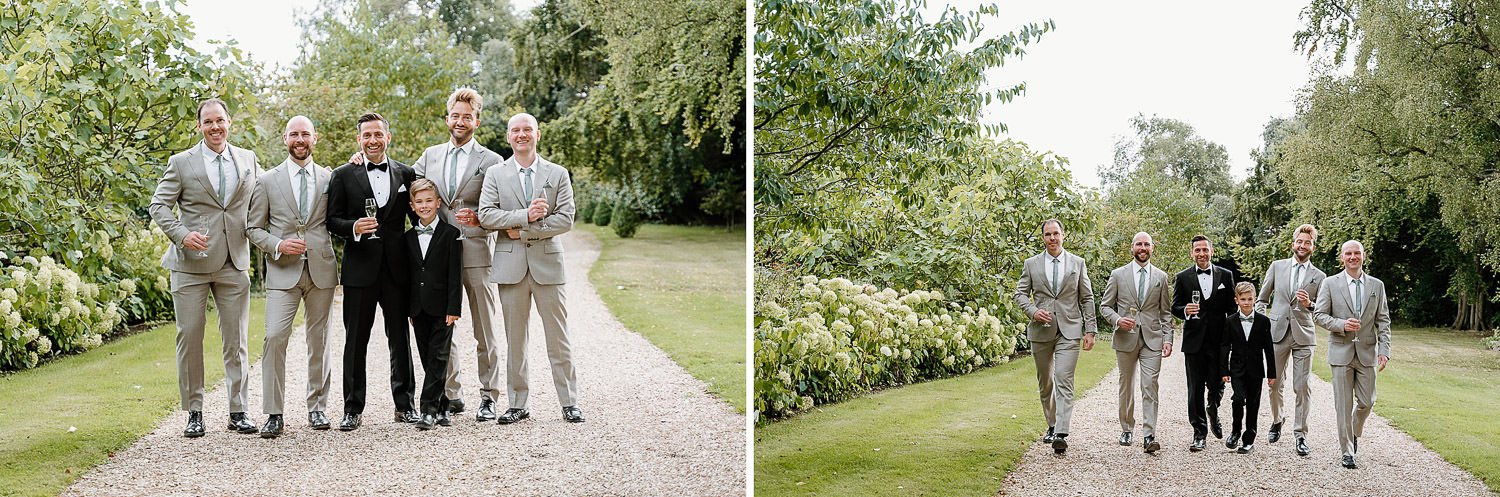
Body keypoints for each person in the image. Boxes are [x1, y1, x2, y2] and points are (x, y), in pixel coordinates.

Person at [148, 98, 259, 438]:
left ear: (230, 123)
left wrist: (336, 171)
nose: (215, 127)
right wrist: (182, 235)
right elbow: (158, 205)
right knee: (190, 337)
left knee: (236, 340)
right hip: (190, 266)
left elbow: (274, 187)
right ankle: (194, 411)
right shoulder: (181, 163)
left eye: (220, 121)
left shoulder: (247, 159)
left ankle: (238, 410)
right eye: (208, 122)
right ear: (199, 126)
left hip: (234, 262)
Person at [472, 113, 583, 424]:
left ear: (538, 134)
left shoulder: (557, 173)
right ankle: (518, 403)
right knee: (515, 339)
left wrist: (524, 230)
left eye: (527, 130)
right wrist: (525, 214)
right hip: (511, 267)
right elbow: (488, 216)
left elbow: (566, 219)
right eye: (516, 130)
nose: (522, 135)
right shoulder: (495, 174)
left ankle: (569, 402)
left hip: (548, 265)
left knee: (558, 338)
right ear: (509, 137)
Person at [410, 88, 505, 421]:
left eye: (468, 116)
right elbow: (404, 185)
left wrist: (480, 218)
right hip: (437, 255)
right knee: (441, 325)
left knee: (484, 328)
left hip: (477, 251)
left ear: (476, 120)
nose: (460, 121)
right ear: (447, 117)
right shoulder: (430, 156)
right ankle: (451, 393)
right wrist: (360, 161)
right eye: (456, 115)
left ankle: (489, 395)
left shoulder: (492, 161)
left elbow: (502, 208)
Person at [245, 116, 338, 437]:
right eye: (294, 134)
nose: (300, 139)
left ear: (315, 138)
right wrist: (278, 244)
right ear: (285, 138)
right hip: (282, 272)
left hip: (321, 270)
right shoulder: (267, 181)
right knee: (274, 337)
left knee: (319, 341)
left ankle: (317, 408)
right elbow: (253, 228)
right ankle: (274, 412)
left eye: (306, 134)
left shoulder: (330, 178)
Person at [326, 112, 419, 430]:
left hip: (396, 270)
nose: (373, 140)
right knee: (355, 341)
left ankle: (405, 405)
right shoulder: (342, 175)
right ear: (359, 139)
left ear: (388, 137)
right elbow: (331, 219)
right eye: (367, 135)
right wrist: (353, 226)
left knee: (400, 338)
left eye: (378, 134)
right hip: (359, 270)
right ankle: (352, 407)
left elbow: (419, 217)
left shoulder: (407, 174)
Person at [1013, 218, 1097, 455]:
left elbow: (1087, 298)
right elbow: (1020, 294)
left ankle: (1061, 432)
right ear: (1043, 238)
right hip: (1041, 332)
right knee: (1046, 382)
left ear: (1063, 235)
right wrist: (1033, 311)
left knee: (1063, 378)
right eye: (1048, 234)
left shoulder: (1077, 263)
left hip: (1070, 330)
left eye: (1056, 234)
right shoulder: (1032, 264)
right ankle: (1051, 424)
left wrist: (1090, 330)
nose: (1052, 238)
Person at [1313, 240, 1391, 469]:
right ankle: (1347, 451)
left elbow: (1383, 321)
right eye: (1348, 253)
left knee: (1367, 402)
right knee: (1343, 406)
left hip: (1367, 351)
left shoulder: (1377, 286)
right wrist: (1341, 324)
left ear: (1363, 256)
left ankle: (1354, 432)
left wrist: (1384, 351)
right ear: (1342, 257)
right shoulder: (1330, 283)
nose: (1353, 257)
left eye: (1357, 253)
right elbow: (1318, 315)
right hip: (1340, 352)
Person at [1098, 232, 1172, 454]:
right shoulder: (1118, 275)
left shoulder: (1161, 277)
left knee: (1150, 385)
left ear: (1152, 248)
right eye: (1139, 244)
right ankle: (1127, 428)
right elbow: (1105, 306)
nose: (1143, 247)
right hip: (1125, 338)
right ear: (1132, 248)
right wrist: (1118, 320)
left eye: (1146, 244)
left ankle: (1149, 434)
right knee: (1126, 386)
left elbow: (1166, 313)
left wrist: (1168, 338)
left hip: (1152, 339)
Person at [1255, 223, 1326, 456]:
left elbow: (1322, 310)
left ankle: (1300, 434)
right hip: (1276, 333)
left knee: (1302, 386)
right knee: (1274, 383)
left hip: (1304, 335)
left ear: (1313, 247)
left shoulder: (1320, 276)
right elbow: (1262, 299)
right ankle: (1277, 419)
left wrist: (1310, 304)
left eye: (1308, 243)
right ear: (1293, 243)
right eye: (1300, 241)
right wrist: (1260, 322)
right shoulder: (1277, 267)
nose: (1303, 245)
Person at [403, 179, 464, 430]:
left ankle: (427, 409)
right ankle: (443, 404)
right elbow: (407, 276)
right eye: (419, 202)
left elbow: (455, 275)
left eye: (429, 200)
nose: (425, 205)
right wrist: (409, 308)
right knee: (427, 357)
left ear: (438, 203)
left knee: (439, 356)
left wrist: (454, 308)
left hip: (442, 307)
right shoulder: (407, 238)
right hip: (418, 308)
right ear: (412, 206)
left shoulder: (451, 234)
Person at [1172, 234, 1236, 452]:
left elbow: (1232, 309)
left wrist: (1233, 338)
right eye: (1197, 250)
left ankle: (1213, 408)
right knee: (1195, 389)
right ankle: (1199, 433)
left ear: (1212, 251)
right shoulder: (1183, 277)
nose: (1201, 253)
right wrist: (1184, 311)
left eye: (1204, 250)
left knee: (1218, 385)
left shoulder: (1226, 276)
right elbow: (1175, 306)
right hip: (1194, 342)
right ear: (1192, 253)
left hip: (1219, 342)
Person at [1220, 281, 1277, 454]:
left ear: (1255, 299)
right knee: (1238, 398)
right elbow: (1224, 346)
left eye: (1249, 299)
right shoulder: (1230, 321)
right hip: (1237, 369)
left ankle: (1249, 439)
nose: (1246, 302)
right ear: (1236, 300)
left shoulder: (1263, 321)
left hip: (1256, 370)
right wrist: (1224, 370)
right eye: (1243, 299)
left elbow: (1268, 348)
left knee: (1253, 404)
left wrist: (1271, 373)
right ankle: (1235, 431)